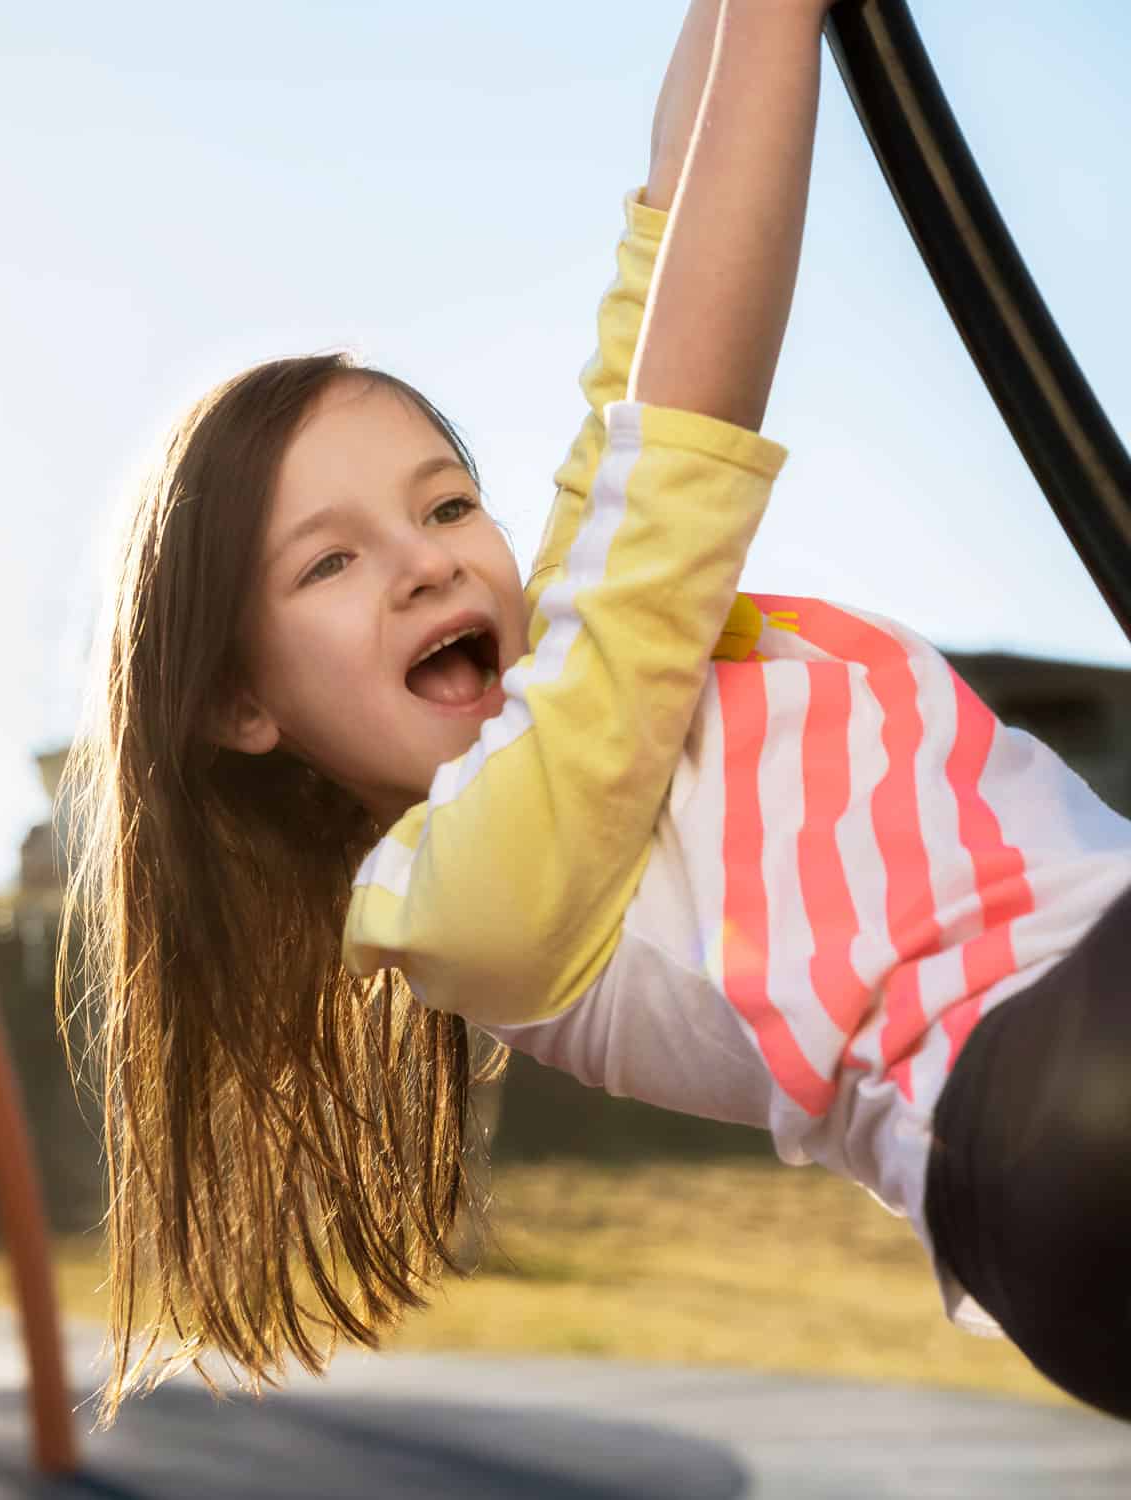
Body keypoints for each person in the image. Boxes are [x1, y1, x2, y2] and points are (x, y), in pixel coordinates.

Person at [63, 0, 1131, 1426]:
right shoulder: (466, 895)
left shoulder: (568, 670)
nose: (427, 555)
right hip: (1051, 1092)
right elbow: (680, 440)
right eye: (329, 560)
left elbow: (657, 272)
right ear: (241, 705)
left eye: (446, 502)